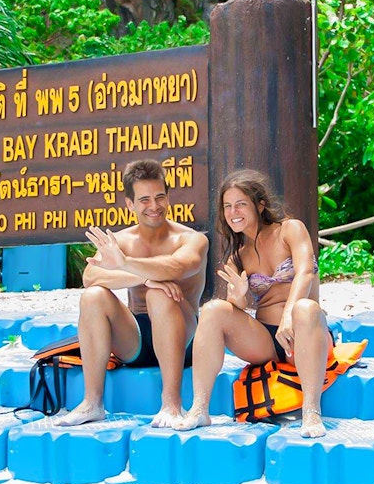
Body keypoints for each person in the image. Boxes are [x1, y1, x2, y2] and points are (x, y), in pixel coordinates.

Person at [174, 168, 333, 438]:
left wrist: (288, 318)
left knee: (304, 309)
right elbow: (241, 306)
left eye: (240, 204)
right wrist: (237, 299)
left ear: (260, 205)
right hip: (267, 341)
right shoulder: (239, 255)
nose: (233, 212)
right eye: (227, 206)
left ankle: (311, 411)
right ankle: (199, 409)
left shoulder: (290, 230)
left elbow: (306, 271)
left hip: (306, 333)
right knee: (213, 310)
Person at [57, 159, 209, 428]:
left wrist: (126, 265)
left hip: (183, 339)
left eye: (160, 197)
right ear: (130, 204)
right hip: (135, 338)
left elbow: (178, 266)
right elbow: (90, 277)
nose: (154, 206)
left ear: (168, 197)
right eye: (145, 200)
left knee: (159, 295)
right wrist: (144, 277)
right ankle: (92, 403)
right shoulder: (122, 241)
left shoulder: (191, 239)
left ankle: (171, 404)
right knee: (92, 297)